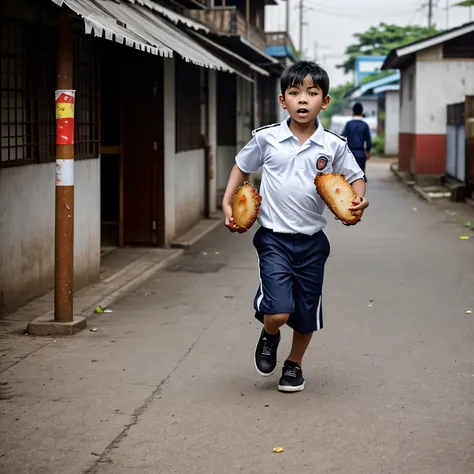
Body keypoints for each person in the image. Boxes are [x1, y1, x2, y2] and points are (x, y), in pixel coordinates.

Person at [222, 61, 369, 393]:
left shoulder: (333, 145)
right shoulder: (267, 139)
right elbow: (241, 167)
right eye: (295, 93)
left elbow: (356, 178)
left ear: (325, 101)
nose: (303, 100)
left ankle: (294, 365)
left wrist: (358, 200)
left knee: (305, 312)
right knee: (278, 313)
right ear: (282, 100)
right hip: (273, 238)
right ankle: (269, 333)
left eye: (312, 93)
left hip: (313, 242)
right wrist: (227, 201)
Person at [342, 103, 372, 177]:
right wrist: (367, 151)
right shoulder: (365, 125)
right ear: (362, 111)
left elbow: (342, 139)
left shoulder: (348, 124)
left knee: (349, 177)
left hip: (349, 154)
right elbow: (368, 140)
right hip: (361, 154)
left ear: (353, 111)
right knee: (360, 176)